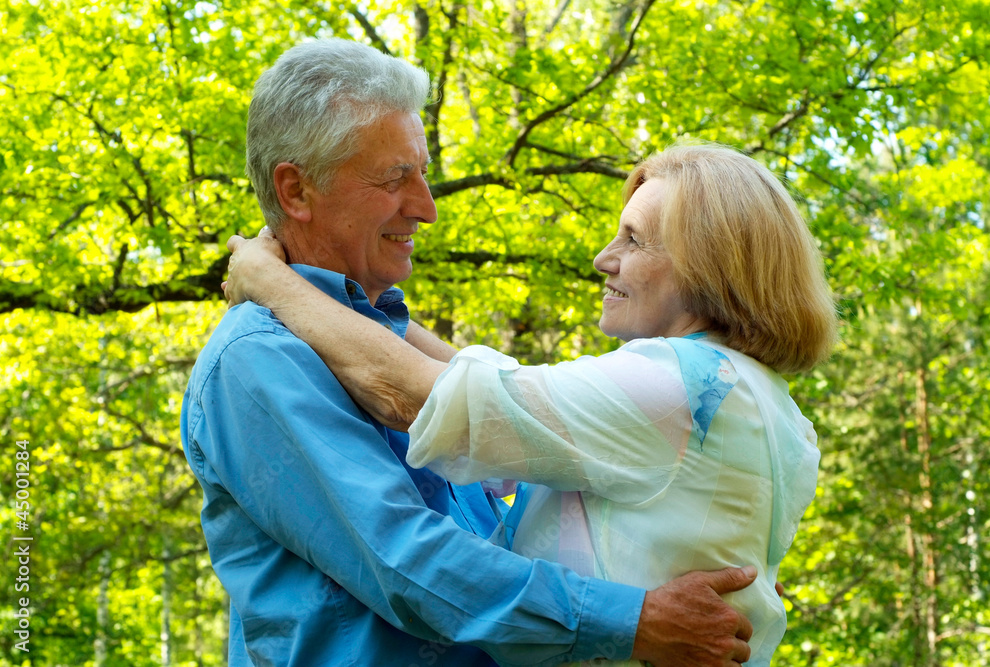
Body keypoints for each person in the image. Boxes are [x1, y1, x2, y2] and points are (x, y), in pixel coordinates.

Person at [182, 38, 759, 667]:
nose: (426, 209)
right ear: (295, 191)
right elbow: (406, 562)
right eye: (394, 179)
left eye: (422, 172)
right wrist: (634, 620)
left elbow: (516, 481)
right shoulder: (258, 360)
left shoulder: (375, 335)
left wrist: (688, 550)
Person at [223, 142, 839, 666]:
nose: (605, 258)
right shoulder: (766, 405)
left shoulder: (678, 385)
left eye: (634, 239)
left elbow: (435, 401)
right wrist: (362, 305)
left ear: (710, 265)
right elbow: (505, 392)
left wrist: (273, 281)